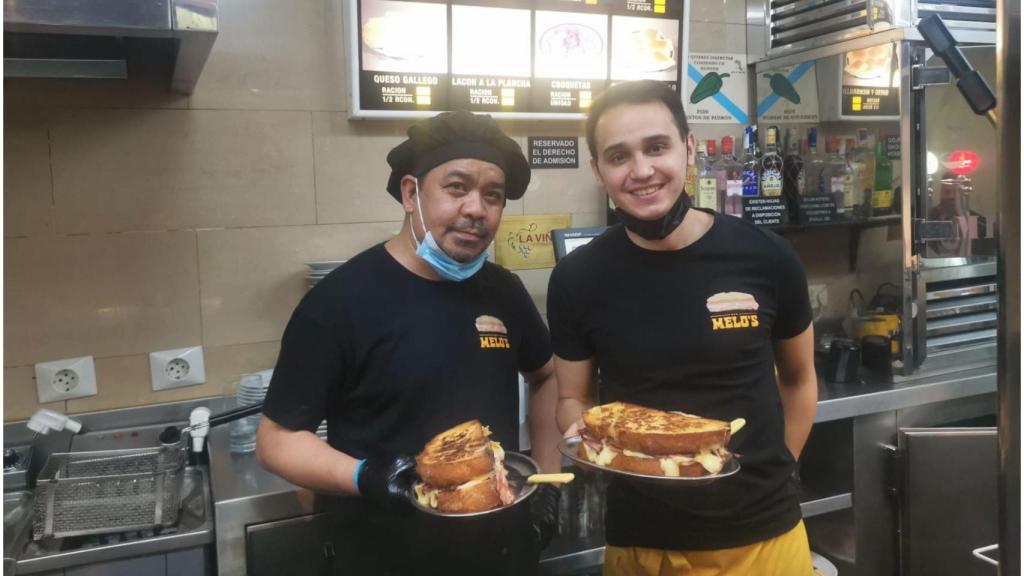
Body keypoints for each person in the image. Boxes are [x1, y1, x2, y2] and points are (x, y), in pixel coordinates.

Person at [256, 110, 563, 576]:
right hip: (385, 553)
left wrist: (545, 484)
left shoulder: (504, 291)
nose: (476, 209)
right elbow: (277, 441)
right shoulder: (340, 302)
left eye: (492, 195)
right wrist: (366, 477)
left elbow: (546, 376)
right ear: (410, 193)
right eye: (456, 187)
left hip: (501, 551)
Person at [547, 80, 818, 575]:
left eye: (657, 147)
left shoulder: (768, 257)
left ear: (689, 147)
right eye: (618, 156)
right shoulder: (576, 278)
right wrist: (578, 426)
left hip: (765, 540)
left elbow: (800, 380)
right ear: (598, 171)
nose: (642, 171)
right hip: (641, 541)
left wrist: (776, 474)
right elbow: (574, 396)